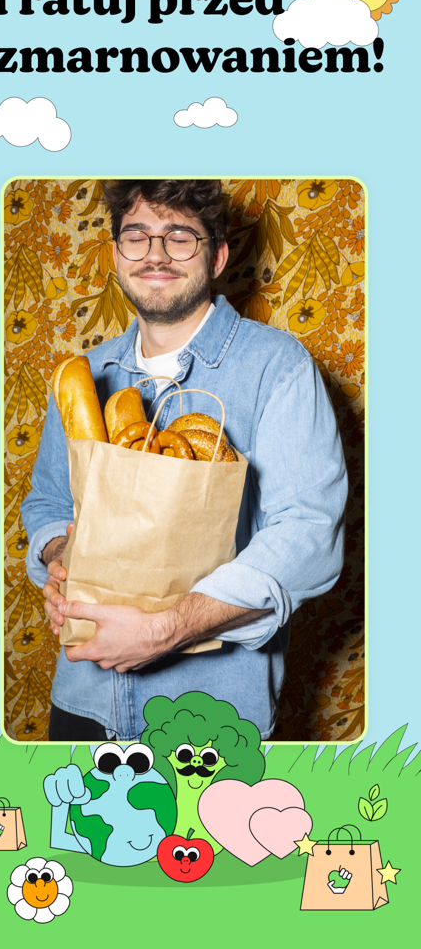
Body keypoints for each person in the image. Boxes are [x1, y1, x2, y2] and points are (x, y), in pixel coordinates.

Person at [21, 179, 347, 742]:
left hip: (211, 717)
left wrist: (168, 628)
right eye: (137, 236)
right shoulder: (83, 377)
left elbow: (308, 535)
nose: (155, 254)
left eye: (179, 238)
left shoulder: (278, 367)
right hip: (82, 700)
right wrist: (60, 561)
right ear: (117, 253)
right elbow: (48, 503)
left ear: (217, 256)